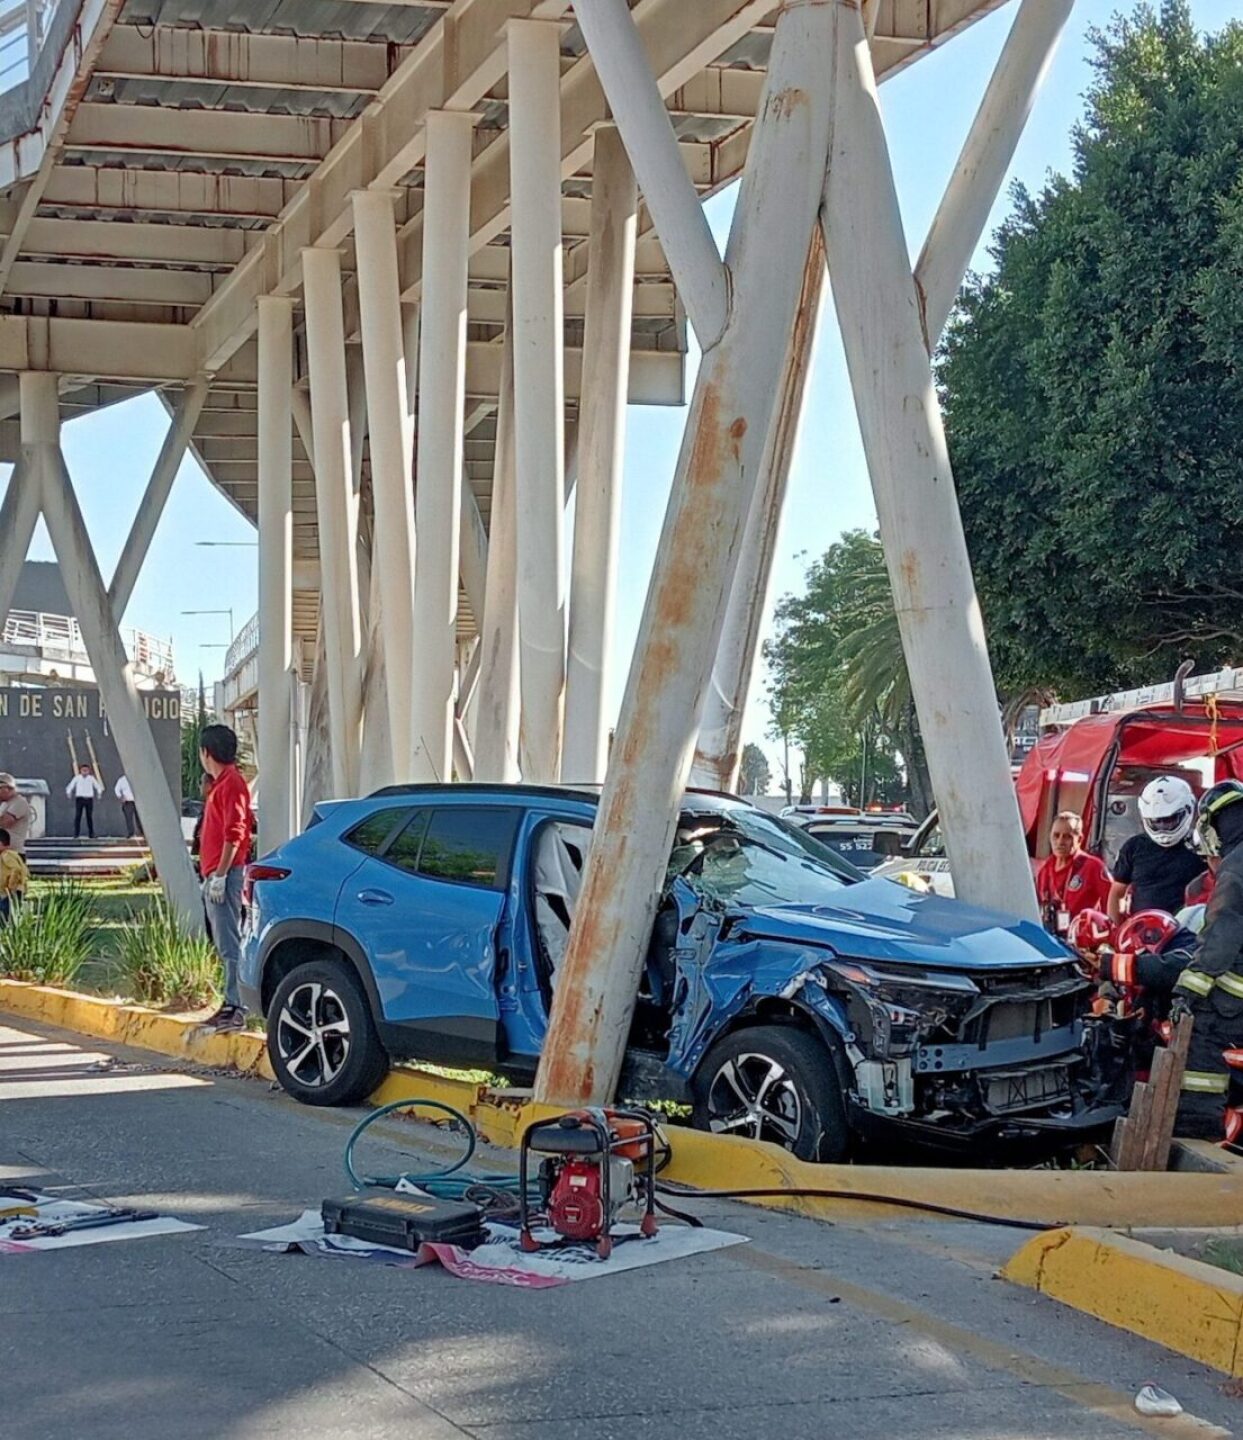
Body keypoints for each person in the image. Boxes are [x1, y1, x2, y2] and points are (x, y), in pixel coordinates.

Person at [1166, 781, 1243, 1139]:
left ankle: (1198, 1132)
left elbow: (1221, 935)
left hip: (1236, 999)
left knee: (1201, 1032)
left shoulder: (1236, 867)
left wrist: (1188, 990)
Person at [197, 725, 253, 1032]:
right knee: (223, 939)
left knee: (230, 940)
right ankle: (231, 1002)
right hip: (217, 872)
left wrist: (220, 875)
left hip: (225, 874)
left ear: (207, 753)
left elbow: (236, 832)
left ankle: (237, 1005)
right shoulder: (222, 785)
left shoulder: (231, 784)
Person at [1107, 776, 1206, 924]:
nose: (1163, 827)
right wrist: (1117, 929)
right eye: (1156, 822)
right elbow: (1117, 893)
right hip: (1142, 933)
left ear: (1187, 810)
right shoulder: (1133, 846)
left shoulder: (1202, 846)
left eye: (1170, 820)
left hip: (1188, 931)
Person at [1036, 811, 1111, 937]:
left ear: (1080, 839)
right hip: (1052, 938)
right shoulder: (1045, 869)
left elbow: (1112, 904)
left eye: (1067, 836)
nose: (1060, 842)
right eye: (1056, 835)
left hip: (1084, 943)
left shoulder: (1093, 866)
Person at [65, 762, 103, 840]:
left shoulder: (91, 778)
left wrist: (99, 793)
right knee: (78, 816)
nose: (85, 772)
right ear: (80, 771)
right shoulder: (77, 778)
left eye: (86, 770)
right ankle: (76, 834)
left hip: (89, 799)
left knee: (89, 816)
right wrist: (69, 793)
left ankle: (91, 834)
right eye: (83, 770)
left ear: (88, 771)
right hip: (80, 799)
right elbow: (70, 786)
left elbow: (98, 786)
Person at [0, 827, 28, 925]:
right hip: (8, 891)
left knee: (5, 913)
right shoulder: (8, 855)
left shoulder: (6, 855)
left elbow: (16, 869)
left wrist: (11, 885)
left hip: (10, 891)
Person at [0, 773, 33, 854]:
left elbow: (6, 822)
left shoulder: (19, 802)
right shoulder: (5, 804)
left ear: (7, 788)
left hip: (13, 853)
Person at [114, 773, 141, 839]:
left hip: (139, 801)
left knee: (140, 818)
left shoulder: (138, 777)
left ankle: (142, 832)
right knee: (129, 818)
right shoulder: (122, 780)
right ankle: (131, 833)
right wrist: (121, 797)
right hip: (128, 801)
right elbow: (117, 789)